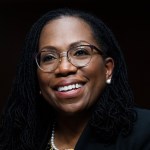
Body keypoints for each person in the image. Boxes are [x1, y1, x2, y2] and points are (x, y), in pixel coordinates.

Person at [0, 7, 150, 150]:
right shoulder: (15, 139)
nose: (64, 68)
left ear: (107, 69)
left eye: (80, 52)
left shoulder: (144, 131)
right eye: (49, 57)